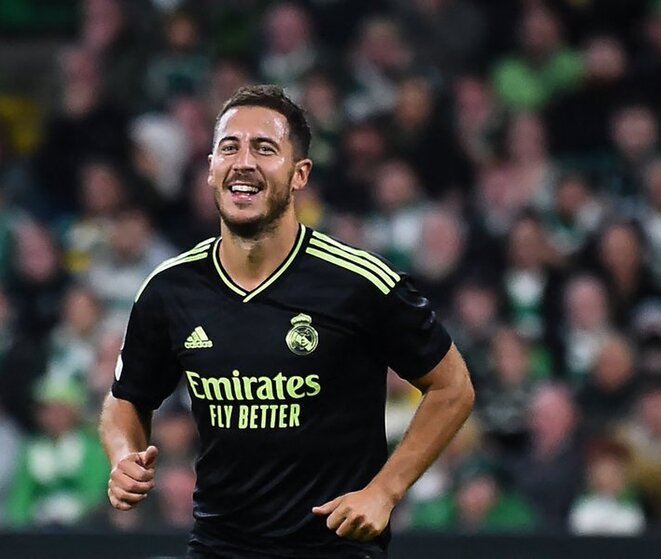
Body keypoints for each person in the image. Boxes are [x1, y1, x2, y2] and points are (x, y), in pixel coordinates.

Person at [98, 84, 475, 558]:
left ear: (300, 174)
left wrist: (385, 491)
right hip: (218, 548)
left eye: (264, 148)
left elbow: (453, 387)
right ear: (211, 168)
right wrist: (124, 456)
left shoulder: (359, 282)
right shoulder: (169, 289)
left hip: (334, 552)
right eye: (229, 147)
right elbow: (126, 400)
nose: (244, 162)